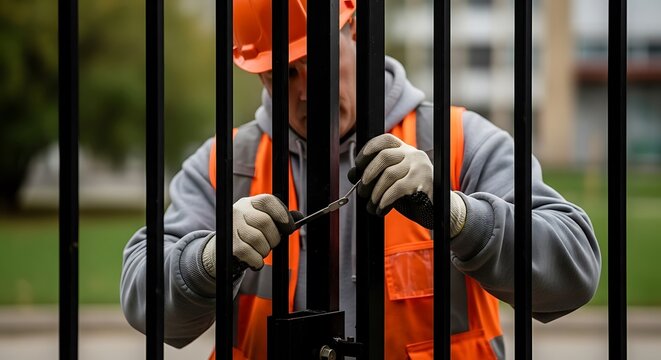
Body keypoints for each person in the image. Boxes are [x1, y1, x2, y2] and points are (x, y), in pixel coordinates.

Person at [120, 0, 601, 358]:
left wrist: (456, 214)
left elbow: (574, 272)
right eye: (283, 74)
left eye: (320, 61)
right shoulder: (229, 164)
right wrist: (209, 258)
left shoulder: (459, 142)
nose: (307, 92)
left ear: (356, 30)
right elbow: (147, 303)